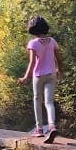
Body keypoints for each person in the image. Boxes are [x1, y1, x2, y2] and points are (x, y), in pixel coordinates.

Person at [18, 15, 62, 143]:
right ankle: (52, 126)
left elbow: (32, 62)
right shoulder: (52, 41)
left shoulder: (33, 43)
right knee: (49, 102)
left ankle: (39, 129)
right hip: (52, 74)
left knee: (37, 100)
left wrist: (25, 77)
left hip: (38, 75)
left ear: (32, 28)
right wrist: (59, 70)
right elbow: (58, 58)